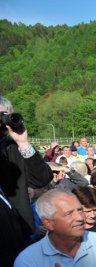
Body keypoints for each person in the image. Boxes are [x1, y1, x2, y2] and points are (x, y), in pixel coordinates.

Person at [0, 95, 53, 231]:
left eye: (5, 116)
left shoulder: (13, 146)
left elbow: (41, 180)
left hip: (17, 229)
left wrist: (23, 143)